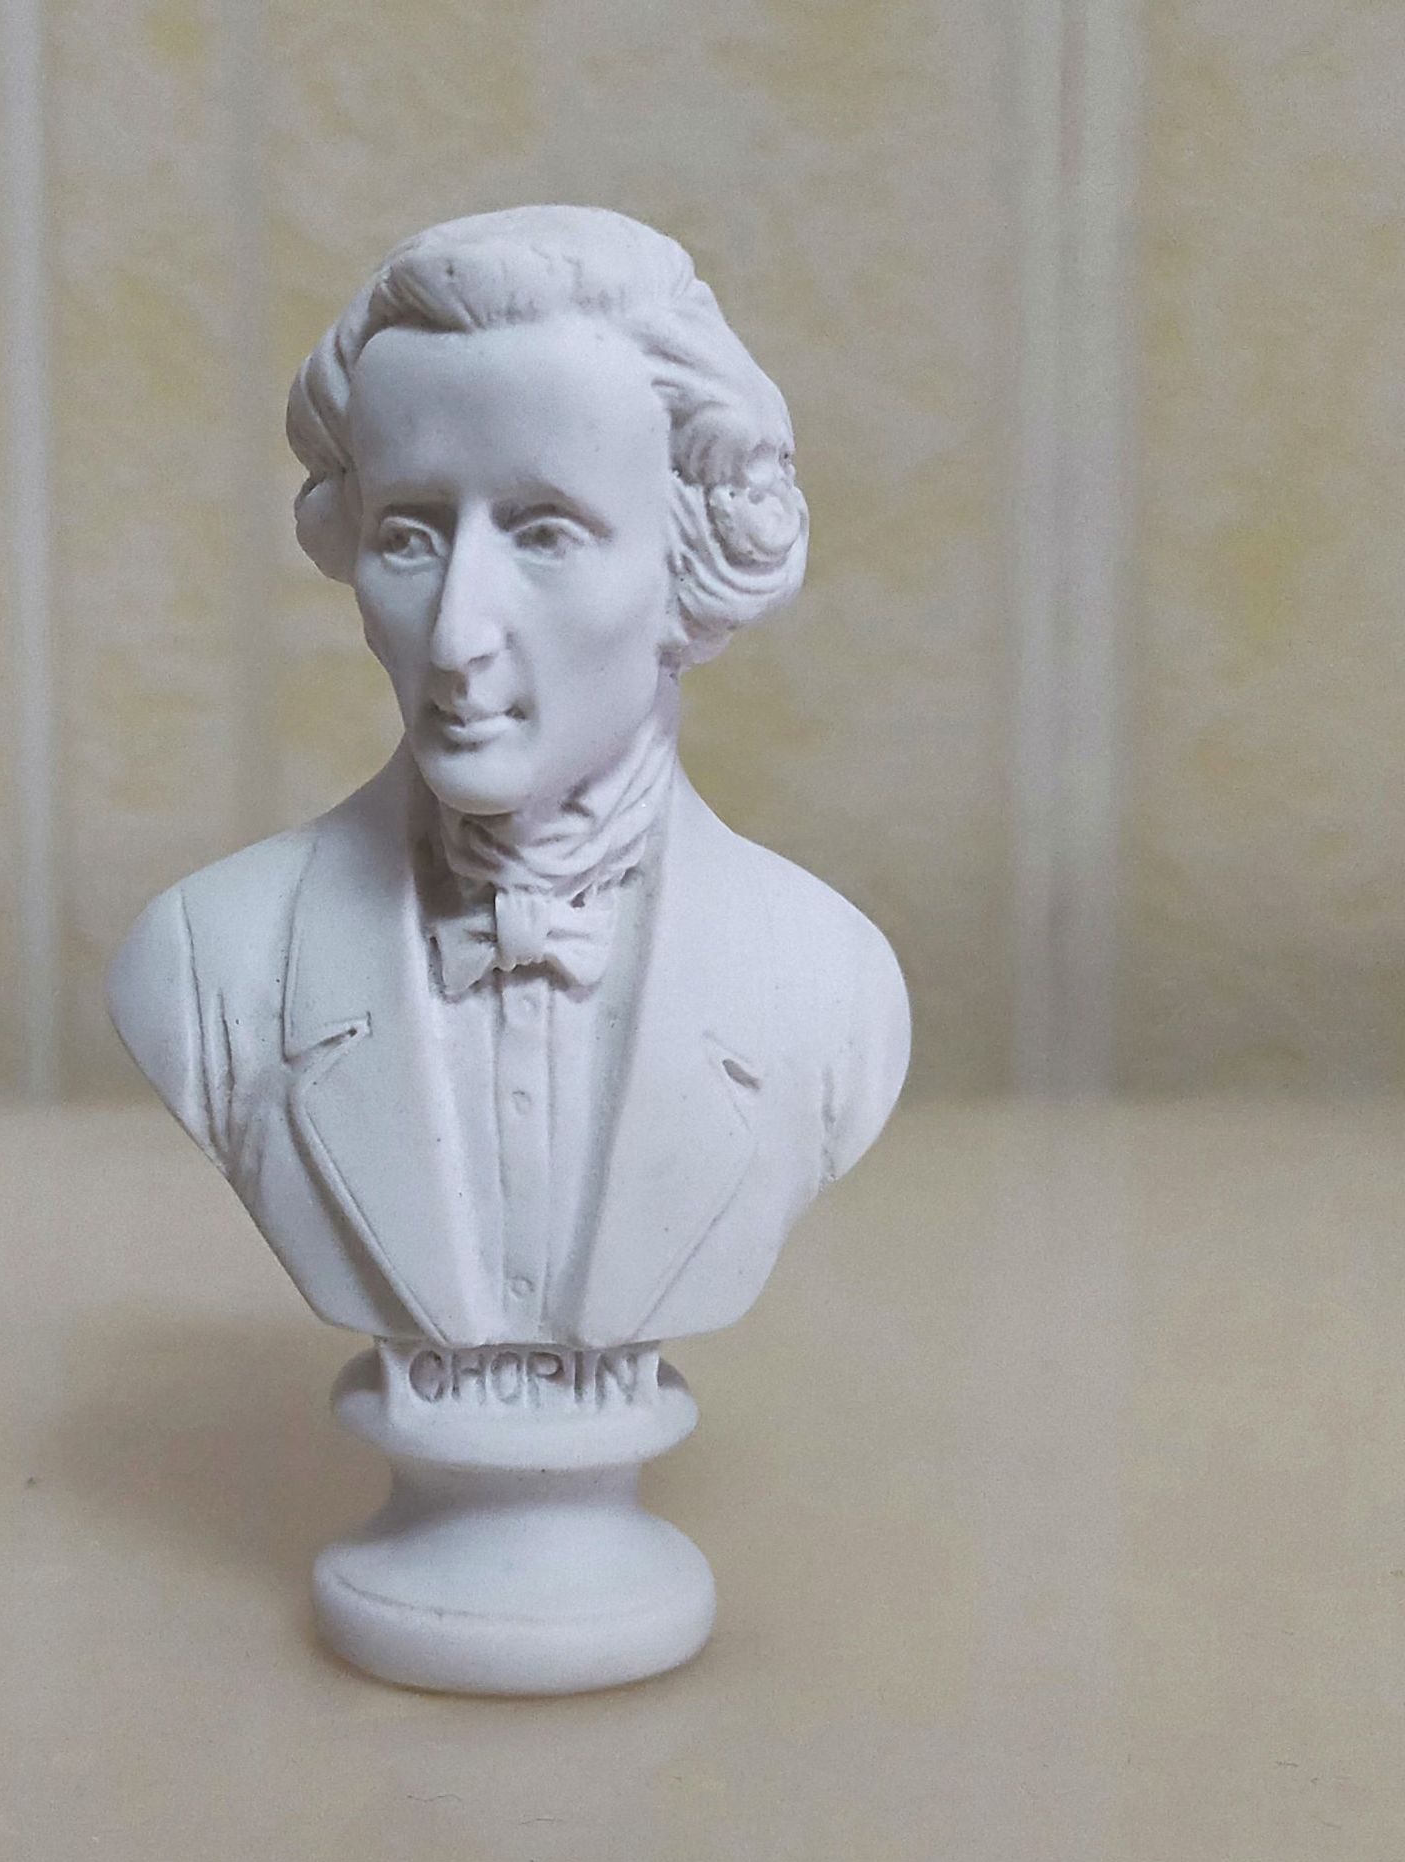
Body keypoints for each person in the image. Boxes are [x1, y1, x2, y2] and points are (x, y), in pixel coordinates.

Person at [109, 205, 909, 1353]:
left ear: (691, 561)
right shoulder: (206, 966)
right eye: (409, 537)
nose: (455, 636)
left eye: (544, 535)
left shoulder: (830, 989)